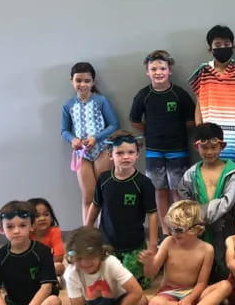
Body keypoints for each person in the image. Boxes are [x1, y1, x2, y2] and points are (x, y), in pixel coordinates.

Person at [140, 200, 231, 305]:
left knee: (226, 285)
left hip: (193, 292)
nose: (173, 233)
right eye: (171, 228)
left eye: (178, 229)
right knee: (154, 304)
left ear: (195, 228)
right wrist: (148, 264)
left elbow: (201, 283)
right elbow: (150, 274)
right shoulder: (168, 242)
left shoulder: (207, 249)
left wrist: (188, 299)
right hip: (169, 293)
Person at [129, 50, 195, 232]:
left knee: (177, 190)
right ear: (147, 72)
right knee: (159, 190)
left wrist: (176, 132)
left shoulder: (179, 94)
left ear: (169, 71)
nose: (158, 72)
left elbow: (191, 120)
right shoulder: (144, 95)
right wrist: (150, 133)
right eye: (154, 69)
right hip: (153, 151)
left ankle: (180, 228)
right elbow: (134, 120)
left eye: (162, 68)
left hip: (178, 150)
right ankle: (165, 230)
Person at [86, 130, 159, 287]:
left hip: (133, 245)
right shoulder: (104, 180)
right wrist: (86, 232)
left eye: (131, 152)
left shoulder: (144, 183)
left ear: (137, 155)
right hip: (107, 245)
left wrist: (153, 245)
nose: (126, 157)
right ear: (110, 155)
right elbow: (95, 206)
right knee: (108, 284)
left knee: (136, 285)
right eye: (120, 153)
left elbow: (152, 214)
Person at [60, 227, 147, 305]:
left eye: (90, 257)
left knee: (142, 302)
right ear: (72, 258)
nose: (85, 263)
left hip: (116, 304)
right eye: (79, 259)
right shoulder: (71, 273)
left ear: (101, 253)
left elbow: (136, 292)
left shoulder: (110, 263)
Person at [178, 122, 235, 282]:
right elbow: (184, 198)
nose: (209, 152)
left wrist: (201, 215)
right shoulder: (190, 174)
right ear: (197, 147)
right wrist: (195, 218)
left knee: (224, 268)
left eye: (214, 147)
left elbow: (228, 200)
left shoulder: (232, 172)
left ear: (222, 146)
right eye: (204, 148)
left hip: (225, 226)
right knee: (199, 272)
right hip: (199, 229)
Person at [61, 62, 120, 222]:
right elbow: (64, 130)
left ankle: (106, 231)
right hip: (82, 154)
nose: (82, 84)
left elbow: (114, 124)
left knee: (105, 194)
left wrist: (96, 138)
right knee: (88, 196)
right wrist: (73, 139)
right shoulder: (68, 105)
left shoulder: (101, 101)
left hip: (102, 150)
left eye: (87, 81)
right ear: (71, 81)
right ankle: (88, 234)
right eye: (78, 80)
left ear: (93, 82)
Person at [191, 24, 235, 165]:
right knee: (213, 178)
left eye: (226, 44)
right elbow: (199, 106)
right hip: (211, 142)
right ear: (210, 48)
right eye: (218, 44)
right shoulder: (203, 73)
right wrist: (201, 133)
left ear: (233, 47)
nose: (222, 47)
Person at [29, 197, 65, 276]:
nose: (42, 218)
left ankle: (50, 279)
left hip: (47, 266)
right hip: (28, 266)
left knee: (59, 267)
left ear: (51, 217)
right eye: (37, 216)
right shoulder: (26, 233)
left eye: (46, 214)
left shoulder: (54, 231)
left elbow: (59, 257)